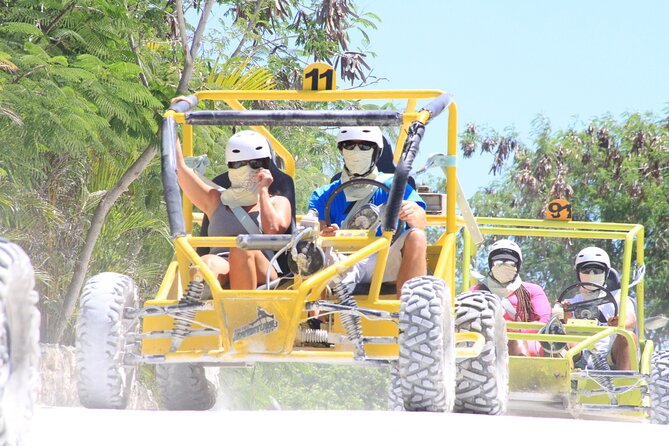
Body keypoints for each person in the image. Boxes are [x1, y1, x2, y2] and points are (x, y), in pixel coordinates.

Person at [171, 96, 292, 290]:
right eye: (239, 164)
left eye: (256, 164)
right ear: (230, 167)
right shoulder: (215, 199)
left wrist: (262, 190)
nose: (250, 169)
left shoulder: (277, 201)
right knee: (205, 264)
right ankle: (177, 316)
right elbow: (179, 169)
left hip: (263, 269)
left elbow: (273, 229)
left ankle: (244, 316)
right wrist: (173, 122)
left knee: (241, 250)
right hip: (222, 263)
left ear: (267, 165)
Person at [308, 126, 427, 297]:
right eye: (349, 145)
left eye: (364, 147)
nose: (356, 152)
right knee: (311, 246)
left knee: (417, 236)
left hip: (384, 258)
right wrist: (328, 234)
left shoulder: (396, 185)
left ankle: (409, 311)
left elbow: (421, 222)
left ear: (376, 152)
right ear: (342, 150)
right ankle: (316, 316)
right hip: (342, 260)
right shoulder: (323, 194)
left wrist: (412, 212)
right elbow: (316, 232)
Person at [471, 239, 551, 356]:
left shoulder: (532, 290)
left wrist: (514, 333)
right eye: (498, 262)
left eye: (510, 263)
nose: (504, 266)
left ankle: (521, 370)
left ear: (517, 266)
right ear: (491, 264)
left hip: (526, 341)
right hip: (486, 341)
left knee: (516, 342)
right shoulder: (476, 291)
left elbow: (543, 321)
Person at [563, 246, 637, 370]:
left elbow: (630, 322)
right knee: (558, 337)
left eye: (597, 270)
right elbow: (554, 325)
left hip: (609, 355)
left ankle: (625, 384)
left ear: (606, 273)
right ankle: (560, 384)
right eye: (586, 270)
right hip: (578, 354)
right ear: (578, 273)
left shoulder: (620, 298)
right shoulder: (570, 303)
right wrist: (563, 319)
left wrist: (620, 322)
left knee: (627, 335)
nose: (591, 274)